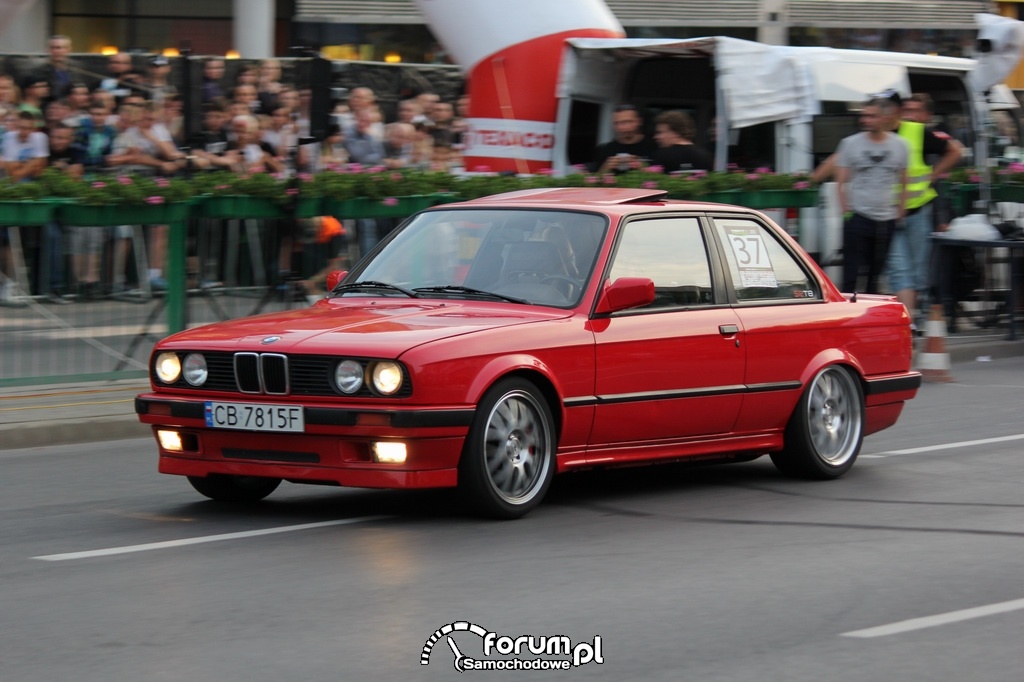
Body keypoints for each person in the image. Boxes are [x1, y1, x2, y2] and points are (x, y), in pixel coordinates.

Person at [887, 91, 963, 330]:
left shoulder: (922, 134)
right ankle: (907, 322)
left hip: (919, 211)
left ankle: (922, 317)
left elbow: (955, 154)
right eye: (907, 110)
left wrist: (933, 175)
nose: (910, 115)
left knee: (920, 271)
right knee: (901, 270)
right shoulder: (877, 133)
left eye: (915, 110)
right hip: (889, 212)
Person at [834, 95, 909, 295]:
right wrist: (846, 210)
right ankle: (847, 317)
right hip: (858, 216)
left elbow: (904, 181)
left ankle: (869, 318)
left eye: (872, 116)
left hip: (886, 219)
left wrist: (900, 210)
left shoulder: (900, 145)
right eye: (864, 116)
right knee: (851, 274)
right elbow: (840, 182)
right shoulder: (850, 144)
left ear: (885, 118)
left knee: (876, 276)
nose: (866, 120)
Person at [590, 104, 657, 173]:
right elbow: (594, 181)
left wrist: (643, 168)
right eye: (617, 123)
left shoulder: (654, 147)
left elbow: (664, 179)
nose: (622, 127)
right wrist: (606, 168)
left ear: (639, 122)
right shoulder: (605, 149)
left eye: (628, 122)